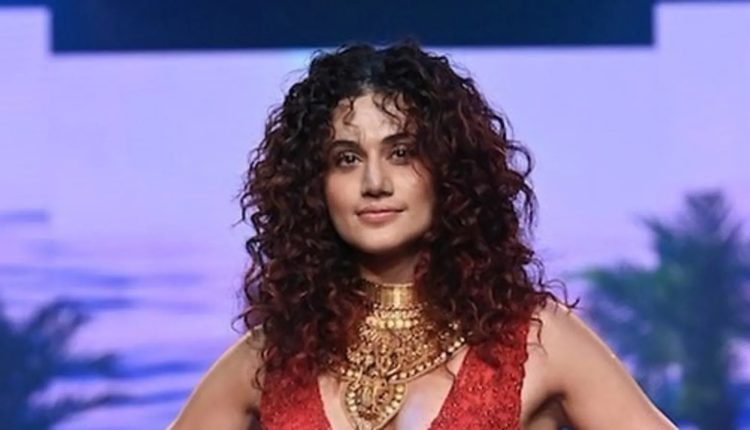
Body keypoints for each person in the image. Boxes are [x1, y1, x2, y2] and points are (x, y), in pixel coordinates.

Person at [169, 41, 677, 429]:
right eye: (346, 159)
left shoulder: (535, 339)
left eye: (402, 152)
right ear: (313, 187)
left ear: (448, 171)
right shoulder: (274, 356)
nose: (375, 183)